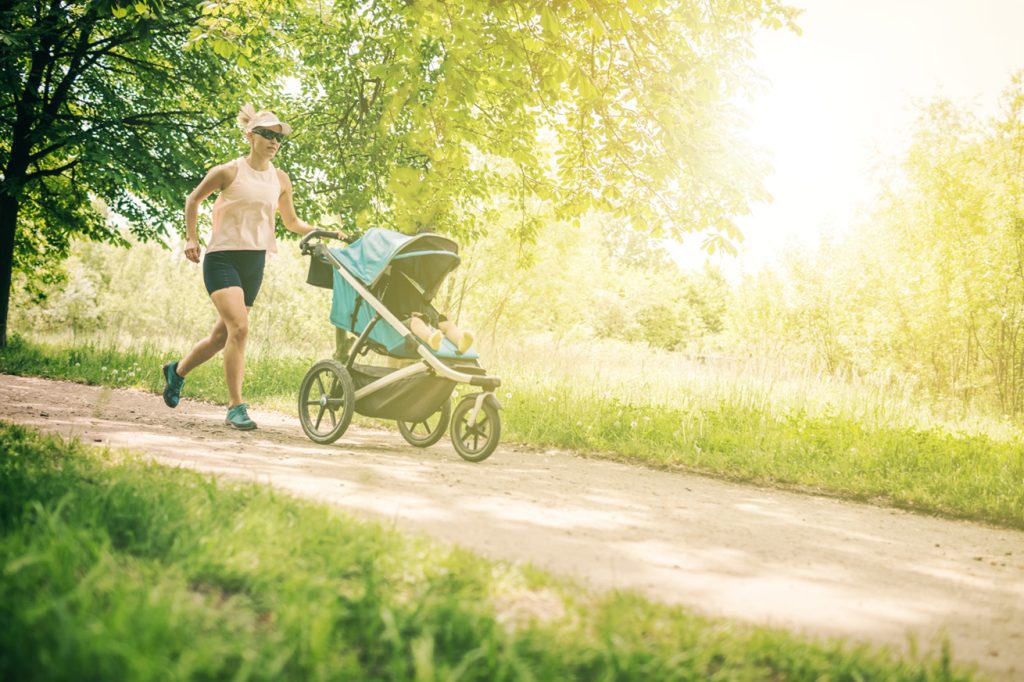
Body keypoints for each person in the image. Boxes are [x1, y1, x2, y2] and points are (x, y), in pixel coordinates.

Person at [161, 104, 317, 430]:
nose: (275, 142)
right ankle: (235, 407)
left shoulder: (281, 179)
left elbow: (290, 221)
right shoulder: (228, 171)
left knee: (222, 336)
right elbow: (193, 200)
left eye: (279, 138)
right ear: (251, 135)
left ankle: (176, 372)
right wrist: (192, 239)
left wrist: (316, 230)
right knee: (241, 329)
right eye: (268, 135)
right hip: (222, 259)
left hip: (255, 260)